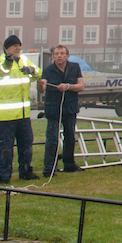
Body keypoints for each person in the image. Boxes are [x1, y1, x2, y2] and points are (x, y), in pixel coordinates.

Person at [0, 35, 39, 184]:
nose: (18, 48)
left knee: (26, 143)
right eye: (14, 46)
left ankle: (25, 171)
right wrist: (7, 63)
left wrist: (31, 70)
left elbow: (38, 73)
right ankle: (4, 175)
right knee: (5, 147)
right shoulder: (0, 62)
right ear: (7, 49)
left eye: (19, 45)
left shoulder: (24, 60)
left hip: (23, 115)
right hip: (5, 116)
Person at [39, 44, 85, 175]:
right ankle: (49, 168)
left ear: (67, 55)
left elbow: (81, 86)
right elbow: (41, 89)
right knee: (52, 139)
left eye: (62, 53)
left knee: (70, 137)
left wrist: (68, 86)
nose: (59, 56)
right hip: (54, 109)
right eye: (57, 54)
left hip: (70, 108)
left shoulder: (75, 68)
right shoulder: (47, 70)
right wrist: (40, 85)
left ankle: (69, 164)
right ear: (53, 56)